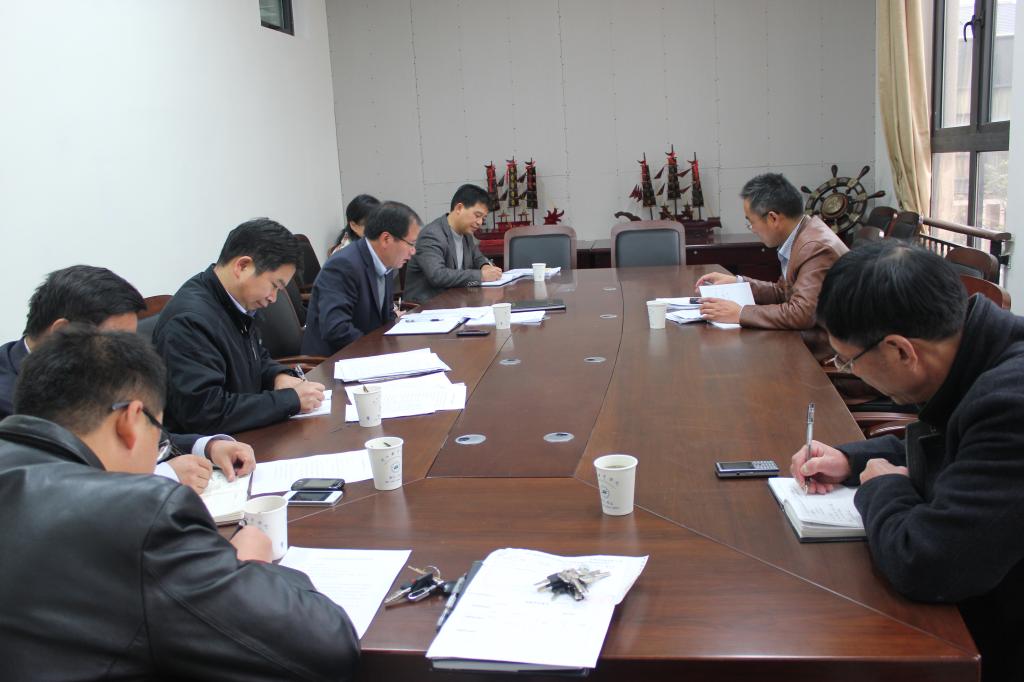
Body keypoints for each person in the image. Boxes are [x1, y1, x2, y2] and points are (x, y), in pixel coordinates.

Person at [0, 327, 358, 679]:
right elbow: (327, 644)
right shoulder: (139, 515)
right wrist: (245, 566)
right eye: (158, 435)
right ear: (130, 421)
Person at [789, 241, 1024, 681]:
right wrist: (851, 460)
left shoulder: (1010, 403)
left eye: (849, 361)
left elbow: (930, 563)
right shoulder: (979, 351)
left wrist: (883, 486)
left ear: (900, 350)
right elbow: (959, 447)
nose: (849, 371)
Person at [0, 265, 254, 494]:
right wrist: (163, 476)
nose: (124, 356)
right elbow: (55, 488)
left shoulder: (85, 372)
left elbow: (141, 428)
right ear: (61, 333)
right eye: (115, 342)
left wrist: (207, 447)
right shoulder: (11, 403)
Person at [153, 218, 326, 434]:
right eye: (274, 286)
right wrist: (289, 400)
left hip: (245, 433)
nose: (273, 298)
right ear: (243, 266)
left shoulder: (233, 301)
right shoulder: (189, 322)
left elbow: (255, 358)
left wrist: (277, 376)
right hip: (213, 447)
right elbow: (206, 413)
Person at [695, 173, 848, 359]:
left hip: (826, 353)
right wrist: (739, 282)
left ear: (773, 218)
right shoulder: (802, 234)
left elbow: (802, 313)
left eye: (751, 222)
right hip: (805, 339)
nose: (752, 229)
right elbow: (783, 292)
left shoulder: (814, 247)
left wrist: (741, 313)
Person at [303, 202, 421, 355]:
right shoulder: (343, 265)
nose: (413, 251)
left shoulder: (385, 262)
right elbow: (336, 328)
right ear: (386, 239)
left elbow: (384, 317)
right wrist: (377, 351)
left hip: (366, 351)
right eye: (411, 244)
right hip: (333, 360)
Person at [403, 183, 503, 303]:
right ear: (459, 208)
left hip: (456, 302)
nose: (480, 222)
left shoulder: (466, 234)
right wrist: (481, 276)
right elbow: (437, 276)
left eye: (483, 218)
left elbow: (478, 258)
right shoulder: (432, 235)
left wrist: (485, 266)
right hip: (427, 306)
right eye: (477, 215)